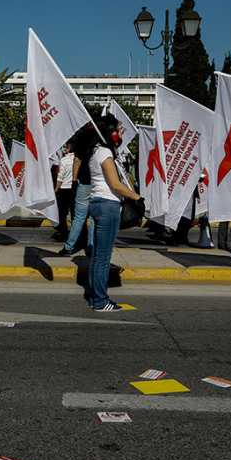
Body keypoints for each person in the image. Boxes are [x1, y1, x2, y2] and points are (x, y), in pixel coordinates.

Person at [87, 115, 143, 312]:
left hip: (99, 204)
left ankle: (95, 297)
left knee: (97, 256)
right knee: (103, 257)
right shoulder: (104, 153)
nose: (120, 133)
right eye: (118, 129)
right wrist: (137, 198)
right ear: (109, 132)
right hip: (108, 206)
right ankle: (101, 301)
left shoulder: (98, 151)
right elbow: (115, 184)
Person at [59, 130, 95, 257]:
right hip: (97, 183)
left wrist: (74, 181)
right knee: (94, 219)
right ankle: (90, 248)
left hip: (84, 182)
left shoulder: (82, 141)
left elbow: (76, 161)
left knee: (79, 217)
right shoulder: (101, 141)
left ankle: (69, 246)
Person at [54, 143, 75, 242]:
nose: (63, 148)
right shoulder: (77, 160)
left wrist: (56, 189)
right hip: (74, 189)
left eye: (65, 146)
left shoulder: (64, 160)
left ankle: (63, 234)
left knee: (62, 214)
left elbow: (60, 176)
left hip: (64, 189)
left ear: (68, 149)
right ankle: (76, 235)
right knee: (75, 214)